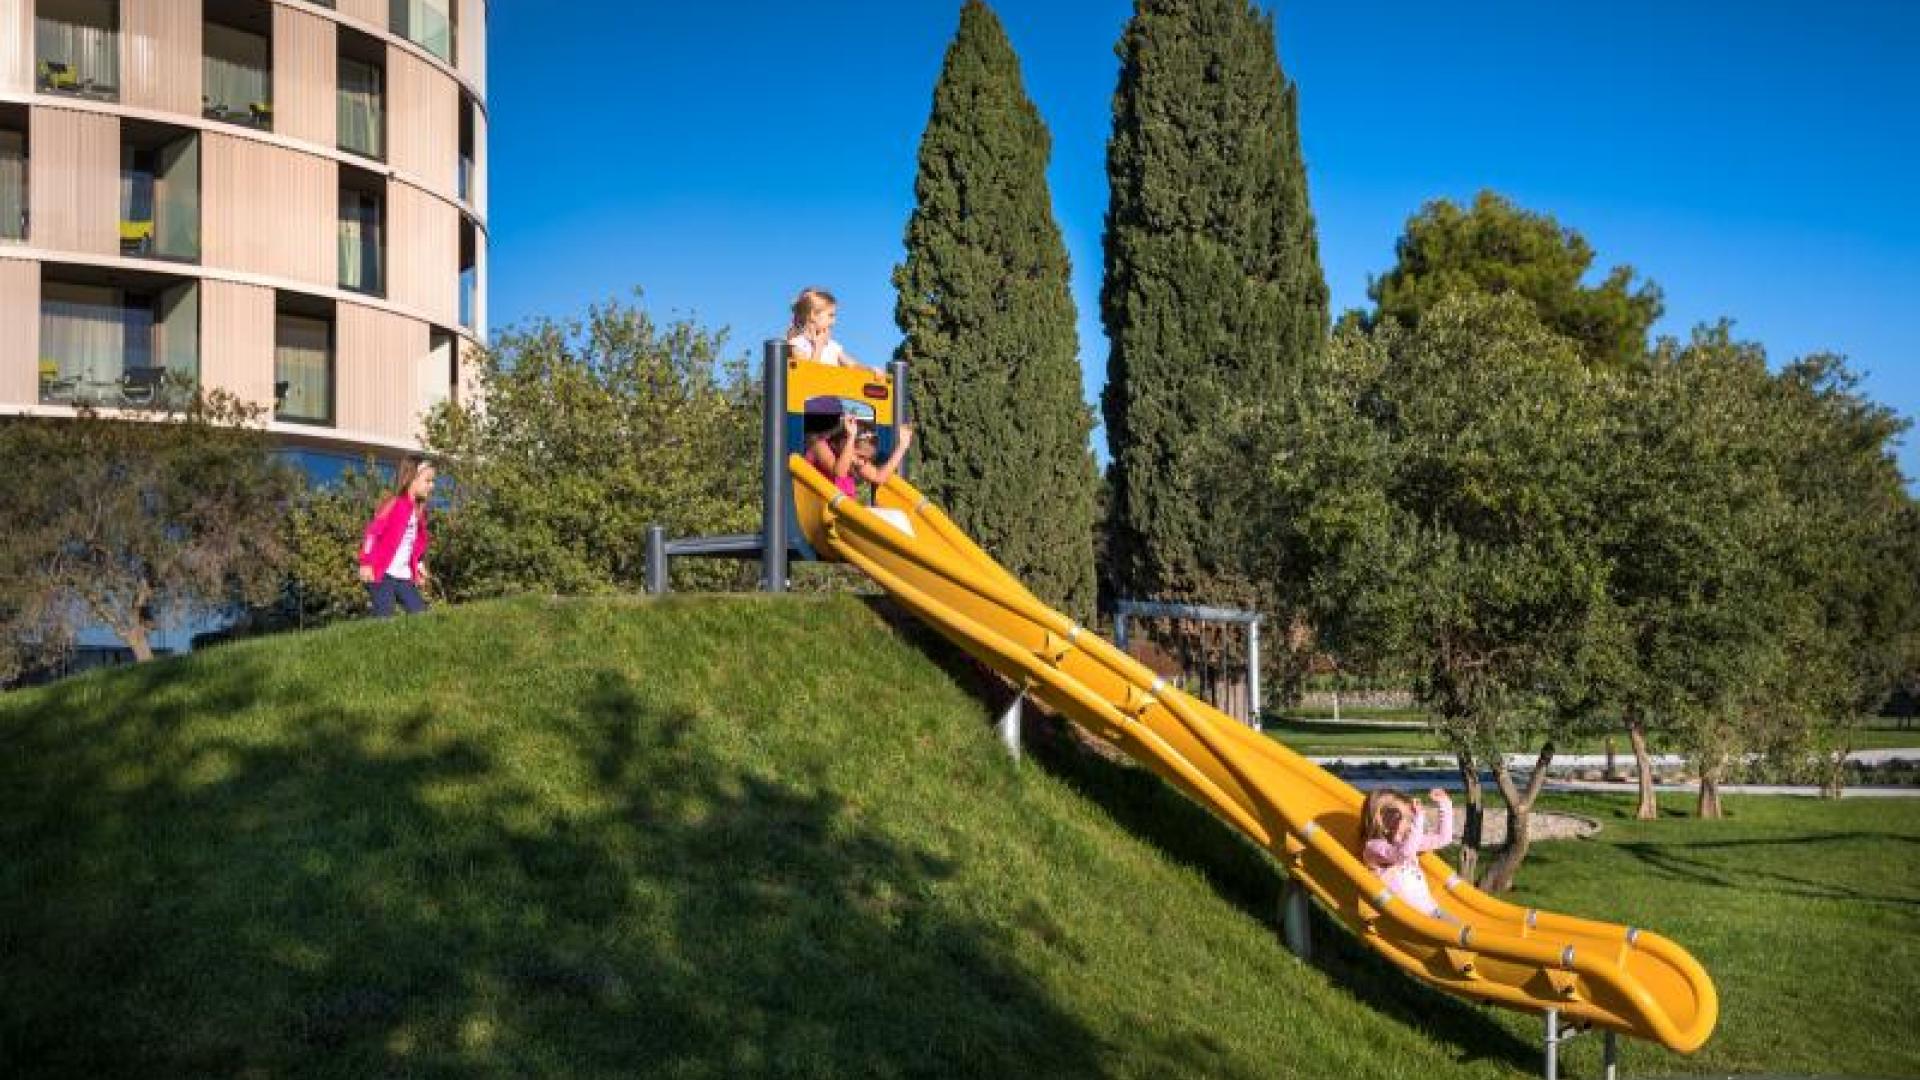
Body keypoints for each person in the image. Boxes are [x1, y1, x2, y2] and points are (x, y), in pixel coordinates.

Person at [1359, 787, 1457, 922]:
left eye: (1411, 817)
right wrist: (1419, 820)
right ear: (1382, 822)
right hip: (1406, 920)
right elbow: (1403, 854)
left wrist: (1445, 804)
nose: (1411, 823)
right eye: (1405, 818)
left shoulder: (1405, 842)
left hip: (1432, 912)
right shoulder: (1373, 848)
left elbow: (1443, 838)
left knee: (1467, 932)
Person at [805, 413, 915, 533]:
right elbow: (839, 473)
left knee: (896, 517)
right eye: (860, 456)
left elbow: (879, 477)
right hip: (819, 514)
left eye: (866, 459)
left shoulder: (856, 462)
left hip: (843, 514)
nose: (861, 462)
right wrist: (851, 436)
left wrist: (902, 446)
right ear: (845, 444)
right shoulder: (820, 446)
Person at [359, 454, 436, 616]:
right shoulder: (394, 504)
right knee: (384, 617)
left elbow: (413, 546)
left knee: (421, 615)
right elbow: (372, 534)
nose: (432, 486)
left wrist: (419, 567)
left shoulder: (419, 513)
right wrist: (366, 562)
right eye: (428, 481)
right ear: (412, 479)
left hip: (404, 576)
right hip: (382, 574)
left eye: (432, 481)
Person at [786, 287, 882, 374]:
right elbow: (807, 374)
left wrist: (869, 370)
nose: (834, 321)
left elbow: (852, 365)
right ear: (813, 315)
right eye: (830, 315)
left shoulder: (832, 346)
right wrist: (818, 348)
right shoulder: (797, 344)